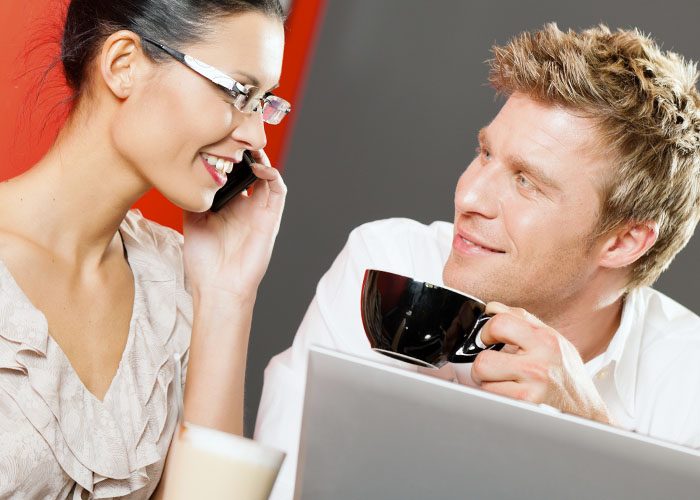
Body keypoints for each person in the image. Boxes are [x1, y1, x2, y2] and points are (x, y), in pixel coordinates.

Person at [255, 23, 700, 500]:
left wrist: (589, 435)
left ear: (624, 241)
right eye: (485, 152)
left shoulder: (686, 377)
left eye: (527, 182)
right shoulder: (392, 266)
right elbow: (278, 487)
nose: (468, 195)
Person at [0, 0, 290, 497]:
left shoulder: (171, 282)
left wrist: (227, 295)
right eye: (239, 92)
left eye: (264, 102)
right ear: (124, 65)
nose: (255, 134)